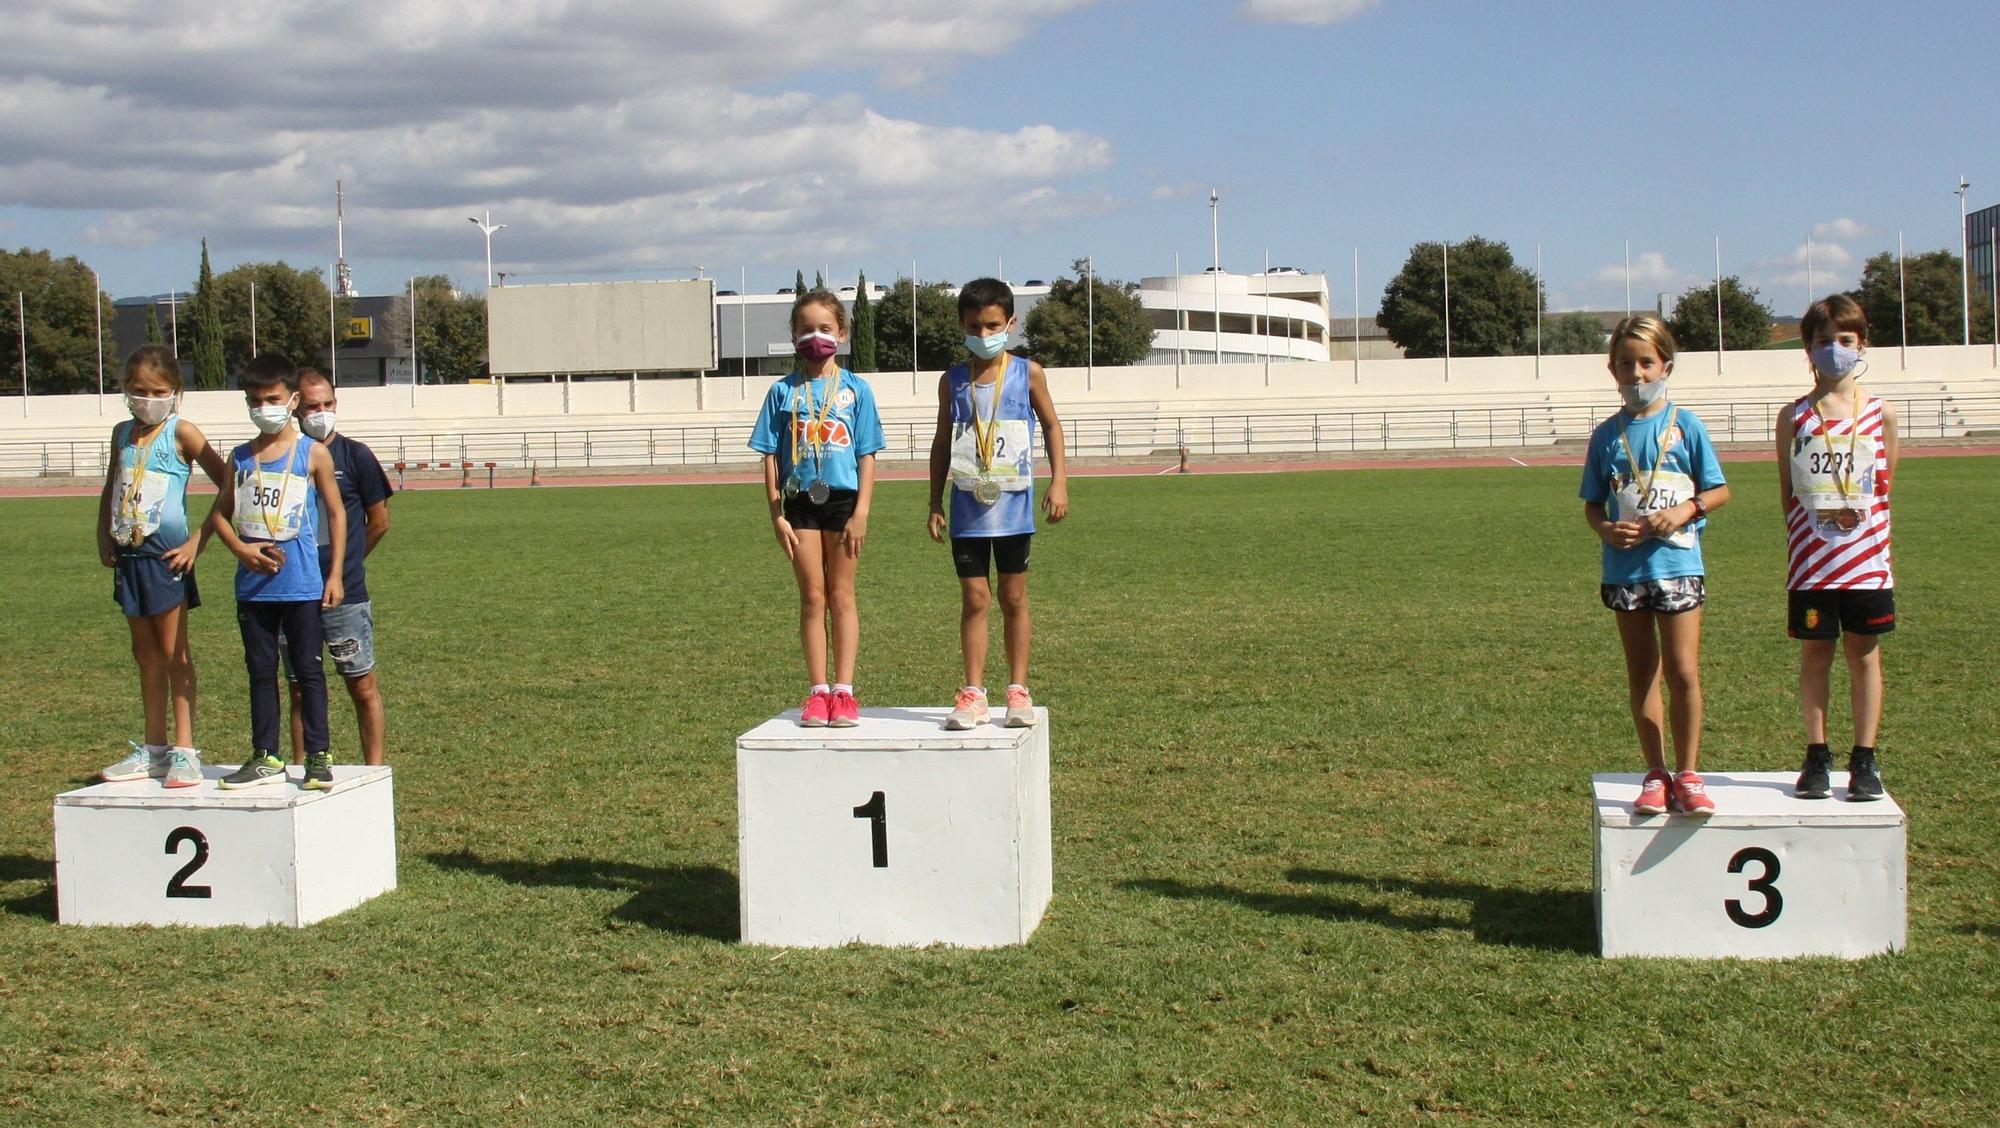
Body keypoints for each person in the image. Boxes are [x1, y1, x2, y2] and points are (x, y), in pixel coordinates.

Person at [1580, 315, 1730, 816]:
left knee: (1683, 671)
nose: (1636, 373)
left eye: (1646, 362)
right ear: (1612, 370)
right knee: (1642, 673)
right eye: (1625, 364)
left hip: (1680, 564)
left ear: (1666, 365)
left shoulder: (1686, 426)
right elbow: (1593, 506)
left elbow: (1719, 490)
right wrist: (1606, 530)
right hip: (1625, 572)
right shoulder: (1606, 436)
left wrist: (1686, 510)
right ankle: (1655, 773)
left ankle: (1689, 773)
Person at [927, 278, 1068, 729]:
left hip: (1014, 508)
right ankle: (973, 692)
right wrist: (934, 501)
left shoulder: (1028, 372)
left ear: (1011, 322)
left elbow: (1051, 426)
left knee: (1012, 597)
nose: (984, 334)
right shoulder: (952, 380)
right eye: (974, 326)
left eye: (992, 325)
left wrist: (1059, 482)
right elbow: (941, 443)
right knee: (974, 598)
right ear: (962, 326)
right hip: (968, 509)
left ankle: (1018, 689)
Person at [205, 354, 347, 790]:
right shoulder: (241, 457)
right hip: (253, 588)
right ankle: (265, 754)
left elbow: (338, 514)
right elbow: (220, 515)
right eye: (254, 400)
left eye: (272, 398)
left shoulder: (313, 453)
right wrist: (241, 550)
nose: (263, 407)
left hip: (302, 583)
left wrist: (335, 573)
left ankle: (319, 756)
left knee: (308, 670)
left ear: (292, 399)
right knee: (260, 671)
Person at [1778, 295, 1899, 801]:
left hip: (1867, 566)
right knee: (1815, 658)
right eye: (1824, 341)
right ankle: (1817, 756)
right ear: (1808, 348)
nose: (1834, 350)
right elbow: (1787, 493)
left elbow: (1885, 489)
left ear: (1861, 345)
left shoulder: (1881, 414)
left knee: (1864, 657)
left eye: (1844, 340)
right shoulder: (1794, 417)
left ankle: (1865, 758)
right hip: (1812, 565)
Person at [95, 346, 233, 787]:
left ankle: (185, 751)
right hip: (130, 556)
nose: (147, 399)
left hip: (167, 559)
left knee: (176, 655)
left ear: (176, 393)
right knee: (145, 655)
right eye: (138, 391)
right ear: (125, 392)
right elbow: (112, 485)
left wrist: (199, 539)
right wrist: (103, 533)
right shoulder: (121, 433)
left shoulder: (182, 433)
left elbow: (229, 483)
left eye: (158, 391)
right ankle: (153, 749)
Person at [748, 289, 885, 727]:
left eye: (825, 329)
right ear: (793, 336)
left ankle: (844, 693)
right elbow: (768, 455)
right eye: (806, 329)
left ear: (842, 333)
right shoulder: (782, 391)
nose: (815, 336)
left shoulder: (856, 390)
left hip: (843, 502)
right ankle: (817, 692)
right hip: (799, 504)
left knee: (842, 596)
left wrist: (862, 511)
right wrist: (776, 515)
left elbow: (867, 455)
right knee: (812, 597)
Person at [281, 368, 393, 767]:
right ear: (296, 408)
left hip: (344, 595)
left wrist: (346, 565)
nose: (320, 412)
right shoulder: (285, 457)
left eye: (327, 404)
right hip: (292, 591)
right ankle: (298, 769)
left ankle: (374, 771)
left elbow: (378, 521)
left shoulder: (355, 455)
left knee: (362, 686)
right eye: (312, 406)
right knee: (298, 688)